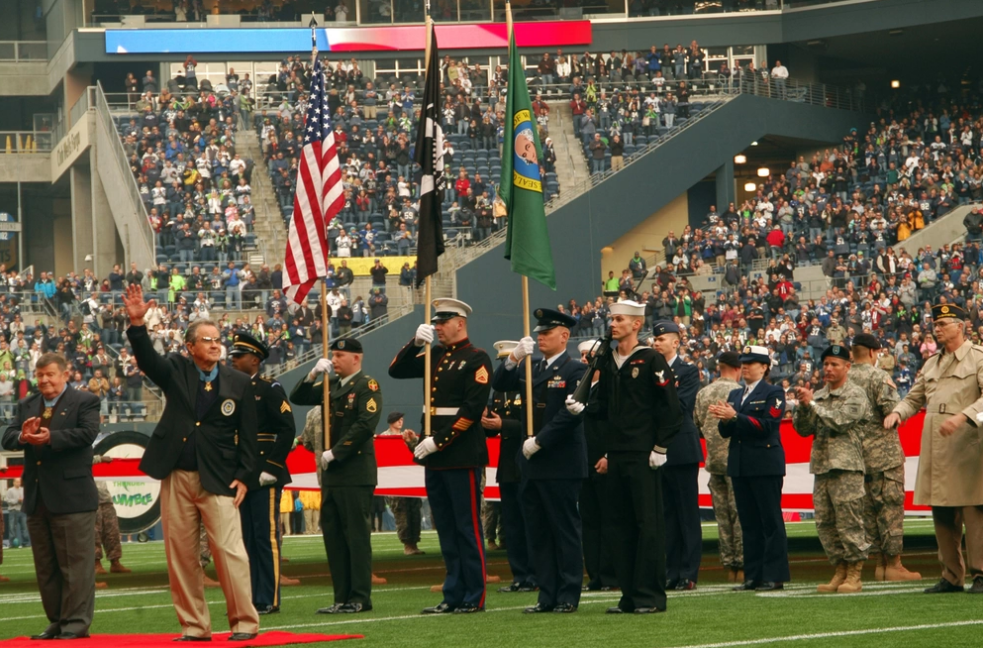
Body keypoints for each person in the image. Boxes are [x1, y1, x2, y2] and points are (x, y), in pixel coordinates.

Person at [122, 284, 260, 641]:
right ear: (190, 347)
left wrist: (245, 476)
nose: (216, 345)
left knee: (230, 552)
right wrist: (138, 326)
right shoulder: (175, 369)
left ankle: (244, 622)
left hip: (220, 478)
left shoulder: (239, 382)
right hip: (177, 475)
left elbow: (249, 435)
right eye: (207, 340)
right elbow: (147, 361)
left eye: (218, 340)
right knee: (181, 555)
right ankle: (195, 627)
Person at [567, 300, 681, 614]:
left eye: (619, 319)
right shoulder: (608, 360)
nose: (612, 324)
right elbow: (605, 408)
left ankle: (650, 596)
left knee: (648, 525)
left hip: (643, 454)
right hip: (615, 455)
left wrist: (660, 447)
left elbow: (671, 409)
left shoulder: (651, 358)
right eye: (612, 319)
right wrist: (585, 407)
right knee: (618, 525)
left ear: (635, 324)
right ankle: (629, 595)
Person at [389, 298, 493, 614]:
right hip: (434, 457)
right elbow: (396, 370)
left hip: (460, 453)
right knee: (445, 528)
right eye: (435, 323)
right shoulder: (434, 355)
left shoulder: (477, 358)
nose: (437, 328)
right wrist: (414, 343)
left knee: (467, 527)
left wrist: (438, 441)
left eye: (442, 322)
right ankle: (453, 594)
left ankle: (474, 595)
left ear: (460, 323)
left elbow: (473, 410)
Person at [493, 309, 587, 614]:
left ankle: (568, 593)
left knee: (564, 530)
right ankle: (547, 594)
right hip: (532, 464)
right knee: (539, 531)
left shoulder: (575, 371)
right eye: (539, 333)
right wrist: (513, 358)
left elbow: (570, 415)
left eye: (547, 333)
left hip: (560, 461)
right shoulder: (530, 367)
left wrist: (539, 441)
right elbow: (501, 382)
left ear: (564, 336)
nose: (540, 337)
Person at [1, 352, 101, 639]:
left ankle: (75, 624)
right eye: (40, 375)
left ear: (65, 374)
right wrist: (22, 435)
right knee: (46, 568)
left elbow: (87, 433)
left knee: (75, 567)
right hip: (37, 497)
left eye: (50, 374)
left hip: (72, 497)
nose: (44, 380)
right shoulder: (27, 404)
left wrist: (51, 438)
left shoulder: (85, 401)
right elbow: (7, 436)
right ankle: (57, 621)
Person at [885, 302, 983, 594]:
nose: (936, 330)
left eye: (943, 324)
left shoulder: (978, 358)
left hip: (968, 447)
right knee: (941, 513)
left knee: (974, 514)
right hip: (937, 449)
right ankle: (951, 576)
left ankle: (981, 574)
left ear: (960, 326)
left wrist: (964, 416)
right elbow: (913, 398)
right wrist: (898, 413)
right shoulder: (931, 363)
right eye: (935, 325)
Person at [293, 337, 381, 614]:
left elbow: (366, 425)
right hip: (331, 475)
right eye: (333, 354)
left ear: (357, 358)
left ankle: (359, 598)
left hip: (354, 471)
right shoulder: (331, 386)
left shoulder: (367, 385)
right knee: (333, 537)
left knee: (355, 537)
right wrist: (312, 374)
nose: (334, 359)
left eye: (340, 355)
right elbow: (298, 397)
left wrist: (335, 452)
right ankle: (341, 597)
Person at [712, 346, 790, 591]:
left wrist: (734, 417)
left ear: (765, 367)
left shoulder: (774, 392)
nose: (745, 366)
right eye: (743, 362)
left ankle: (774, 575)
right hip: (740, 464)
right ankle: (753, 575)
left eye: (752, 362)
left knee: (770, 521)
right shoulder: (736, 394)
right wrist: (725, 419)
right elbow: (726, 432)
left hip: (765, 464)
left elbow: (767, 425)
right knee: (749, 523)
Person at [229, 332, 296, 615]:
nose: (233, 360)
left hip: (263, 472)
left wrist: (273, 466)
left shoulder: (269, 389)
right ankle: (251, 598)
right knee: (244, 538)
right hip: (241, 474)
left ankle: (268, 598)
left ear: (254, 360)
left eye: (239, 356)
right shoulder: (232, 390)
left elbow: (287, 428)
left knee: (265, 538)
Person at [794, 344, 869, 594]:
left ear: (847, 367)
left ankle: (855, 573)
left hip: (847, 467)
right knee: (825, 523)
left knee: (849, 521)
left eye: (834, 364)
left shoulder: (855, 394)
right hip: (823, 466)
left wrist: (813, 405)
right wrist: (804, 407)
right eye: (825, 364)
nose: (828, 368)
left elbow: (841, 422)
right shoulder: (819, 395)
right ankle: (839, 569)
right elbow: (803, 430)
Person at [847, 333, 921, 582]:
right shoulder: (879, 376)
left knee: (868, 511)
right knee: (889, 509)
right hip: (884, 456)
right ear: (872, 352)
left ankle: (879, 564)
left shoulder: (844, 379)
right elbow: (893, 411)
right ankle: (894, 564)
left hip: (857, 457)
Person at [650, 320, 704, 590]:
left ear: (676, 342)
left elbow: (681, 405)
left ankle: (688, 571)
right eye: (655, 339)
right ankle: (671, 570)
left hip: (680, 448)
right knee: (667, 514)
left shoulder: (687, 370)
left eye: (662, 339)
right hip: (656, 450)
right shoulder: (650, 370)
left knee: (686, 513)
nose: (657, 343)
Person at [483, 341, 535, 593]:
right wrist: (486, 423)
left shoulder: (531, 385)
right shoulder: (500, 392)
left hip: (528, 459)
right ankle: (520, 575)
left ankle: (535, 574)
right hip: (507, 463)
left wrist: (503, 425)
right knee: (512, 524)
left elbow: (532, 421)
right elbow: (492, 426)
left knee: (531, 522)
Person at [693, 351, 744, 583]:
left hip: (713, 462)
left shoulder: (704, 393)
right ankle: (742, 565)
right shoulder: (740, 392)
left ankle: (729, 566)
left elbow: (697, 426)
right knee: (740, 515)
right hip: (737, 461)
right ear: (738, 368)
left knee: (722, 518)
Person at [577, 339, 617, 591]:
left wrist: (609, 455)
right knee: (589, 522)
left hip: (604, 460)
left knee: (610, 520)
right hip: (583, 462)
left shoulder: (612, 386)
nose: (584, 360)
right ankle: (595, 575)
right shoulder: (580, 387)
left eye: (588, 356)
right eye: (582, 356)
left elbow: (617, 421)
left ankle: (611, 575)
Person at [382, 412, 424, 556]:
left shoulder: (407, 436)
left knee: (414, 512)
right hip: (394, 482)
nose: (400, 422)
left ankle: (414, 542)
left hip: (410, 480)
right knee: (402, 514)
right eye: (397, 420)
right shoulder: (385, 438)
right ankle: (407, 543)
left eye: (401, 420)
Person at [92, 455, 131, 576]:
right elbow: (83, 458)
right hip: (91, 499)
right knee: (94, 533)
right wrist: (100, 458)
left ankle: (115, 562)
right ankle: (95, 563)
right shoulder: (82, 449)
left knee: (112, 531)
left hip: (105, 498)